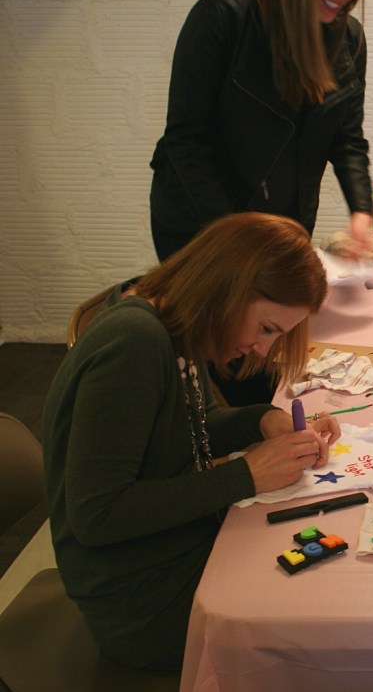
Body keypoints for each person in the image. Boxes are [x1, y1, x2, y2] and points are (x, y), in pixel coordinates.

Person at [42, 213, 338, 672]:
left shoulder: (175, 326)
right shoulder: (134, 343)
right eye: (265, 328)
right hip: (138, 603)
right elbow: (98, 514)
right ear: (227, 288)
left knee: (318, 560)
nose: (262, 349)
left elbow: (191, 427)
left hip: (167, 552)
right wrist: (246, 475)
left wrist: (263, 421)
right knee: (314, 620)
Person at [149, 0, 373, 262]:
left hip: (285, 222)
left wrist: (362, 211)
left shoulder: (349, 39)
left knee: (275, 318)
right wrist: (233, 231)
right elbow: (185, 139)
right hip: (203, 221)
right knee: (213, 319)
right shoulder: (222, 17)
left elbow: (347, 140)